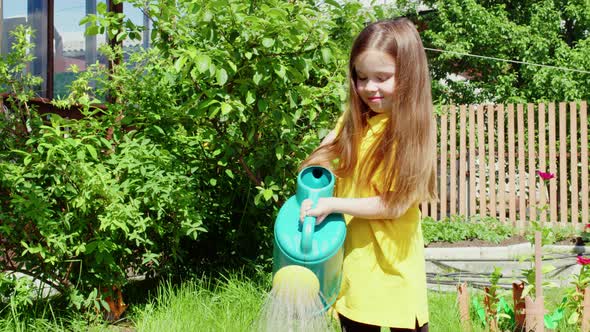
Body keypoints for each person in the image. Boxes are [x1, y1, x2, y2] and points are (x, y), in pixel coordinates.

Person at [298, 18, 436, 332]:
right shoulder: (355, 120)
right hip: (357, 267)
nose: (370, 89)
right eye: (362, 78)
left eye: (382, 78)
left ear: (409, 76)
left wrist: (332, 205)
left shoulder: (409, 133)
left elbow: (394, 205)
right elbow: (321, 160)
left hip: (396, 267)